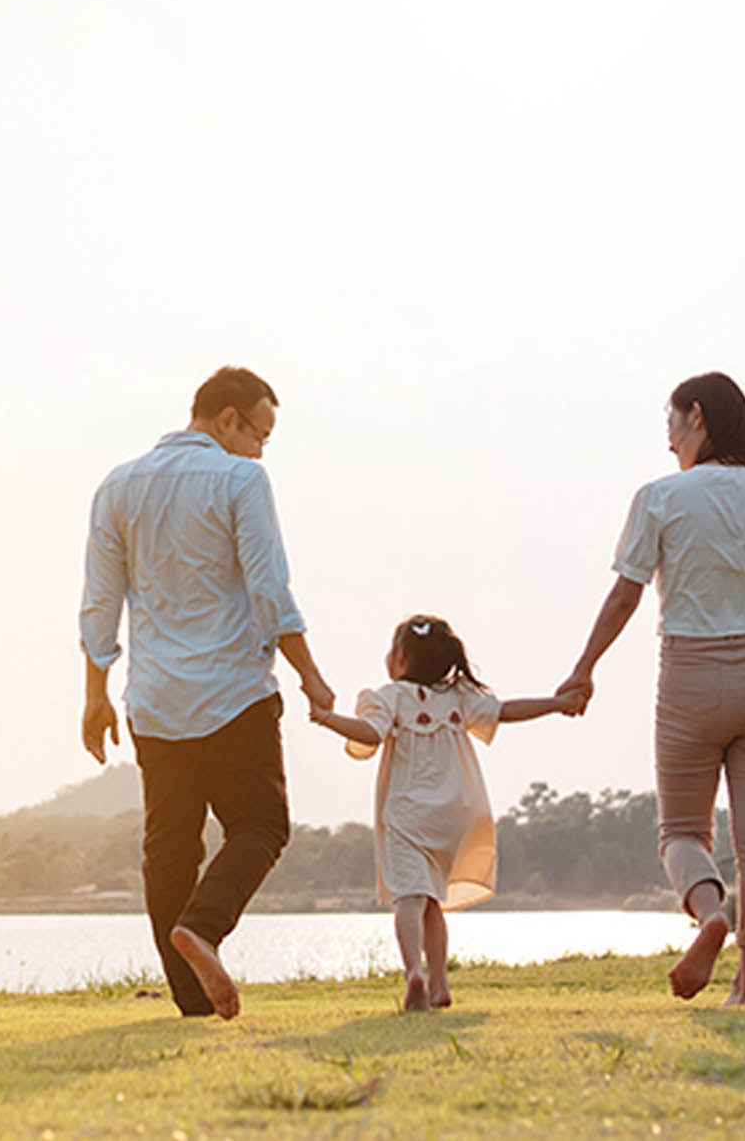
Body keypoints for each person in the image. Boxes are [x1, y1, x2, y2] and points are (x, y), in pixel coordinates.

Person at [556, 372, 745, 1007]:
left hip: (690, 674)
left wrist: (584, 666)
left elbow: (626, 594)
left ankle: (710, 916)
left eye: (671, 423)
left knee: (681, 832)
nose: (668, 439)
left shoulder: (660, 497)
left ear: (696, 417)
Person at [79, 366, 336, 1021]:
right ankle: (204, 928)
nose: (259, 448)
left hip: (156, 701)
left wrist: (95, 693)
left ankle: (192, 1002)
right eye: (260, 433)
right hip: (235, 695)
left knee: (170, 848)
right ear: (227, 419)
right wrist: (309, 676)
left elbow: (100, 603)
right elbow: (269, 589)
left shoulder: (118, 486)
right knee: (261, 826)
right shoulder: (240, 478)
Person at [307, 615, 582, 1011]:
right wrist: (556, 704)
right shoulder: (458, 696)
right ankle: (439, 983)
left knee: (408, 898)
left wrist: (328, 718)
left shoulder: (390, 696)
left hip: (407, 812)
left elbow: (369, 733)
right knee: (433, 899)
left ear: (400, 658)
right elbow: (506, 710)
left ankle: (413, 973)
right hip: (457, 809)